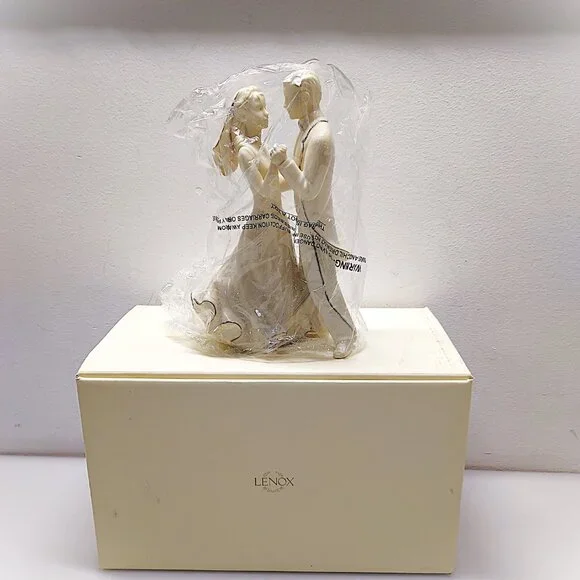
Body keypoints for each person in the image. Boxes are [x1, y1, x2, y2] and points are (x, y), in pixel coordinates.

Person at [192, 86, 315, 353]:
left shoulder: (261, 146)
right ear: (245, 116)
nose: (267, 113)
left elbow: (281, 184)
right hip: (263, 223)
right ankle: (249, 325)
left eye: (266, 107)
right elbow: (262, 190)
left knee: (277, 273)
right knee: (257, 275)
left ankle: (277, 325)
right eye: (260, 109)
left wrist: (294, 169)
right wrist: (277, 165)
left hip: (277, 220)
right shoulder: (246, 152)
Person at [270, 70, 357, 359]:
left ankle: (345, 333)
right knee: (311, 279)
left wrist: (283, 163)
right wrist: (269, 182)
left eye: (289, 99)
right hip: (306, 223)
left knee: (323, 284)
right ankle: (315, 324)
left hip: (317, 226)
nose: (285, 106)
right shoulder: (306, 132)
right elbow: (296, 177)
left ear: (305, 96)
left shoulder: (320, 137)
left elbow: (307, 189)